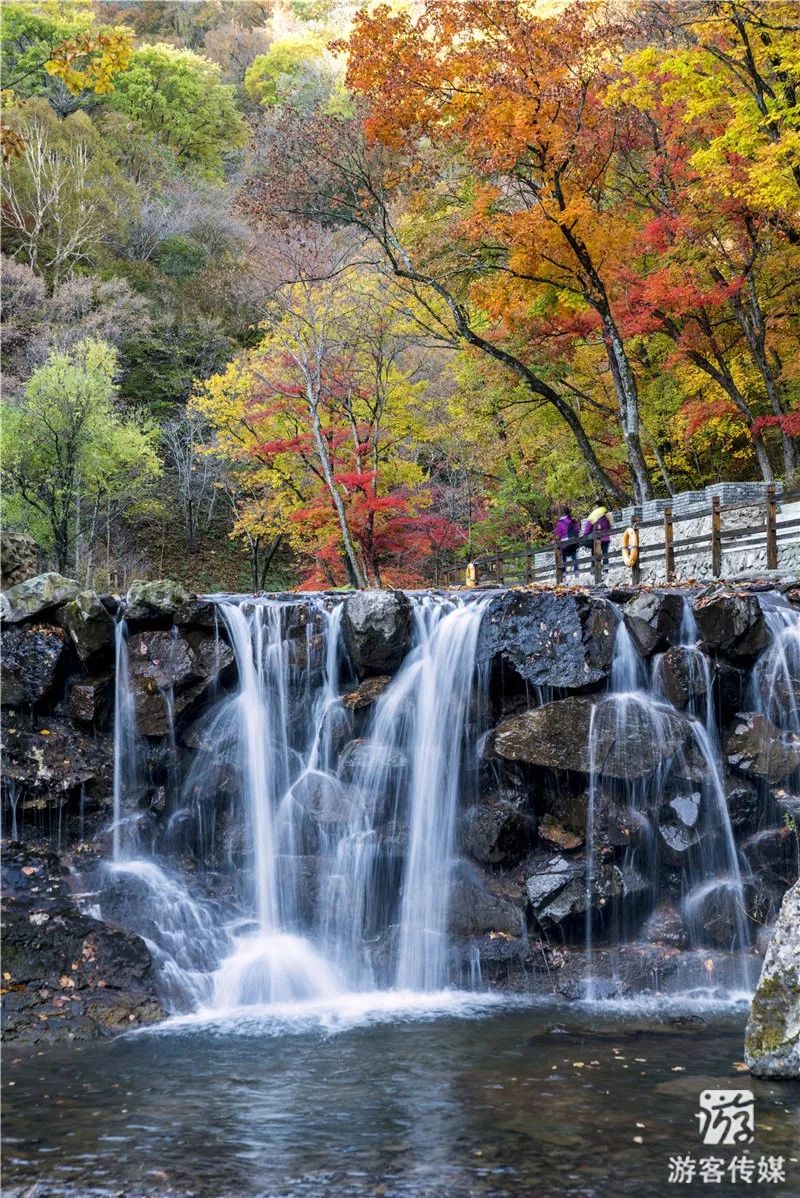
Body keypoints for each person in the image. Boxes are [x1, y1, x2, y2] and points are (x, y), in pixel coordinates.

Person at [582, 500, 611, 570]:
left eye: (594, 506)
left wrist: (585, 535)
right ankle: (605, 570)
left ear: (597, 506)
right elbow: (610, 524)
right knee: (605, 554)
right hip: (606, 538)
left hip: (596, 539)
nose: (593, 508)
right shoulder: (607, 513)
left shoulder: (594, 514)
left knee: (594, 554)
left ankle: (594, 570)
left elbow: (587, 527)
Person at [553, 506, 580, 574]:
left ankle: (564, 573)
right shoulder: (572, 520)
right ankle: (576, 571)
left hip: (564, 543)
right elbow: (577, 529)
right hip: (573, 541)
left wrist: (554, 541)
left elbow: (557, 534)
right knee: (574, 556)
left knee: (563, 557)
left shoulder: (560, 523)